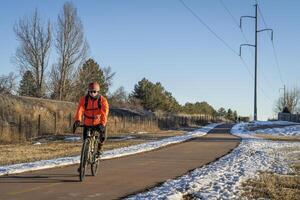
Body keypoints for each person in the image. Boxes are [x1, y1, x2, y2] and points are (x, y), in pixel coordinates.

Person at [73, 82, 109, 156]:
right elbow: (80, 110)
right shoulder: (84, 100)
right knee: (85, 140)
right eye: (90, 92)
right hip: (87, 123)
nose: (92, 93)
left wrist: (102, 123)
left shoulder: (103, 100)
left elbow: (104, 113)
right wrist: (78, 120)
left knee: (103, 136)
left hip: (99, 123)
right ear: (88, 92)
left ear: (98, 92)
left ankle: (99, 148)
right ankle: (83, 162)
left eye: (94, 91)